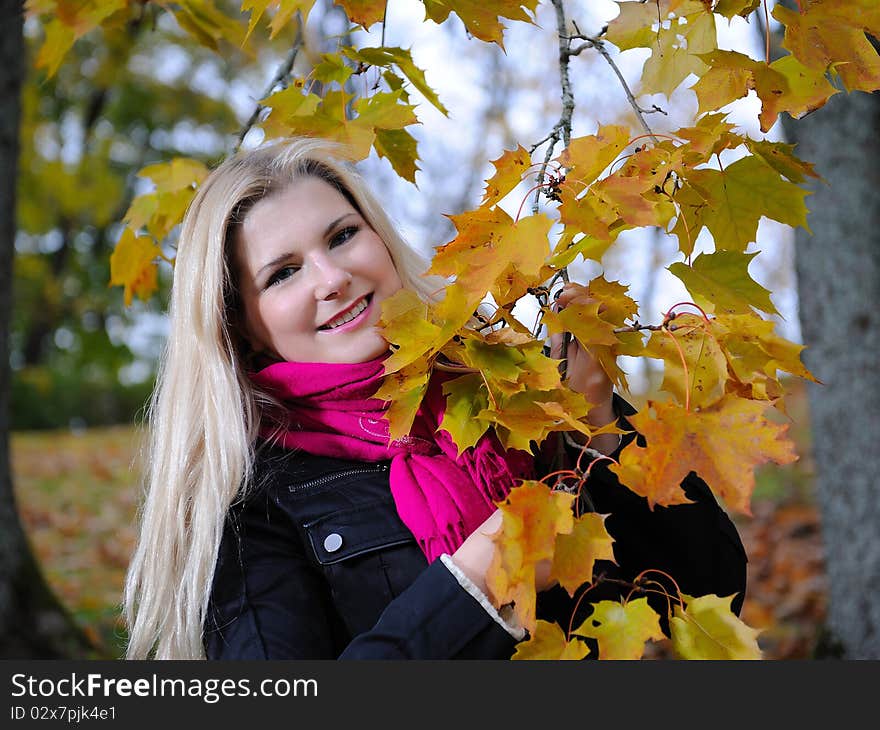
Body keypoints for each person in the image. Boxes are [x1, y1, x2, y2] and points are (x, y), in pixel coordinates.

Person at [123, 136, 747, 660]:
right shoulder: (249, 500)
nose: (333, 278)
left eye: (341, 236)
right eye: (283, 273)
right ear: (242, 325)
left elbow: (712, 589)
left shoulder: (510, 390)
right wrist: (473, 585)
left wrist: (602, 425)